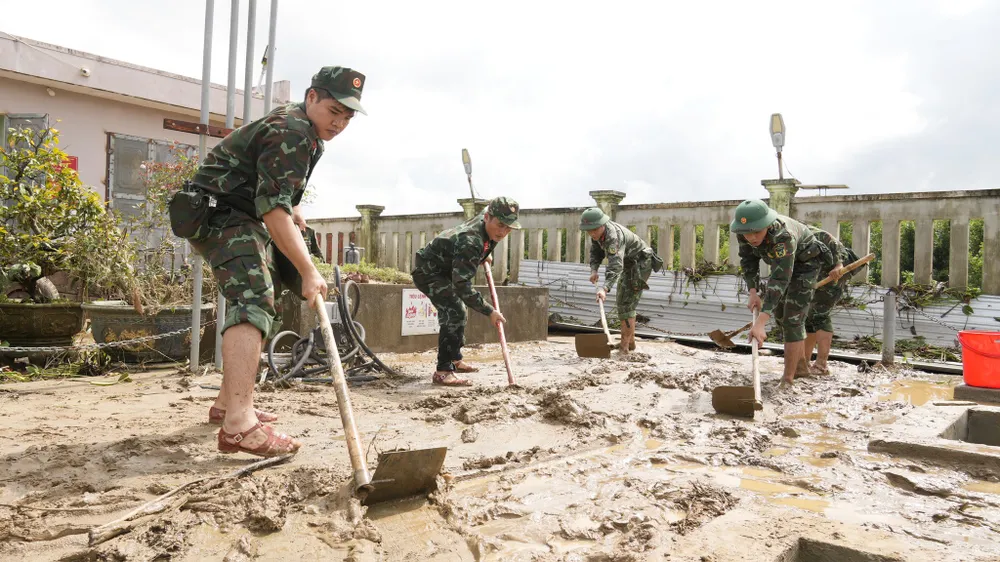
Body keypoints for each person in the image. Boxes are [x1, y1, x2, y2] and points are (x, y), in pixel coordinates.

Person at [170, 65, 368, 457]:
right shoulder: (292, 130)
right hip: (219, 213)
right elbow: (271, 208)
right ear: (312, 97)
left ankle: (229, 404)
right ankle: (239, 427)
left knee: (268, 292)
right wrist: (310, 271)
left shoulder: (311, 136)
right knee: (254, 299)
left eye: (347, 116)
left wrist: (294, 211)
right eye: (334, 111)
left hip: (241, 214)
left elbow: (279, 196)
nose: (340, 122)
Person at [411, 197, 520, 386]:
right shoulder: (471, 241)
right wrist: (489, 311)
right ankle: (443, 371)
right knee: (455, 311)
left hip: (446, 268)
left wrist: (485, 253)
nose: (503, 232)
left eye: (508, 227)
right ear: (487, 217)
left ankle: (454, 359)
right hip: (429, 272)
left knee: (458, 311)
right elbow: (462, 285)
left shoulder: (487, 228)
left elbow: (485, 240)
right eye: (500, 225)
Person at [731, 200, 835, 386]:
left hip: (806, 265)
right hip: (782, 265)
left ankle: (788, 380)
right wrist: (753, 292)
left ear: (767, 224)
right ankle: (801, 367)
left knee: (793, 319)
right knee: (779, 315)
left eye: (757, 232)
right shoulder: (744, 233)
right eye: (748, 233)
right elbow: (748, 261)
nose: (752, 237)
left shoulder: (782, 236)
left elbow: (779, 279)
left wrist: (761, 323)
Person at [580, 207, 663, 354]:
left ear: (602, 225)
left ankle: (624, 348)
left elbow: (615, 265)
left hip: (640, 264)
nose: (591, 233)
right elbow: (596, 252)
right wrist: (594, 270)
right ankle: (630, 343)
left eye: (594, 229)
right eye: (588, 230)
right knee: (623, 302)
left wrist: (604, 288)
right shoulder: (597, 235)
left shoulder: (613, 237)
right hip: (628, 264)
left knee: (626, 304)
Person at [802, 225, 861, 376]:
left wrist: (838, 265)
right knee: (808, 316)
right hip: (817, 274)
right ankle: (804, 362)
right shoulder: (786, 243)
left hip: (835, 271)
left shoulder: (812, 234)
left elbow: (836, 246)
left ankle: (821, 365)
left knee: (820, 313)